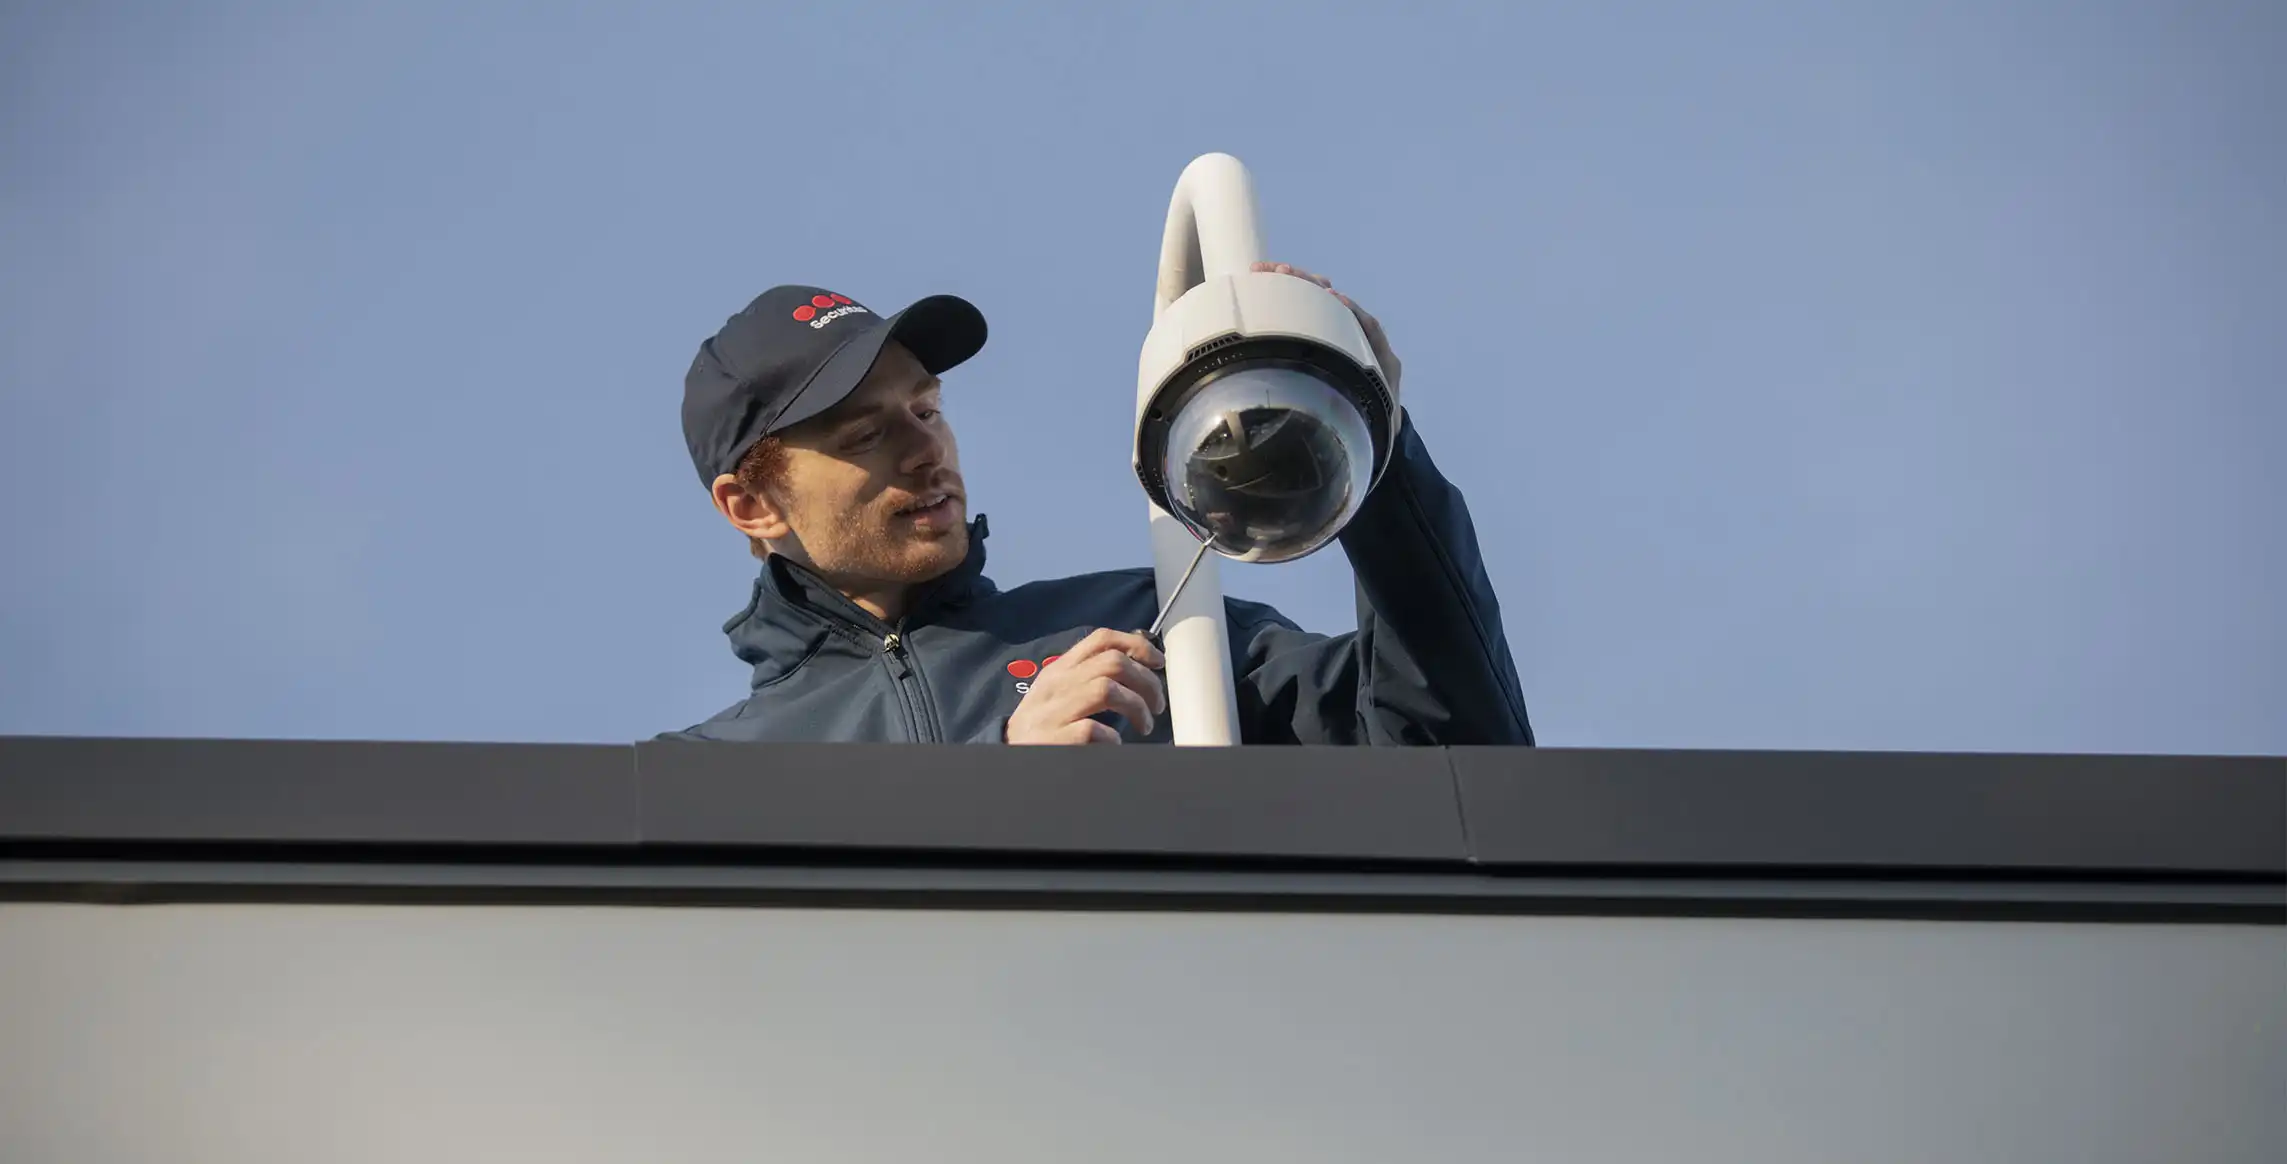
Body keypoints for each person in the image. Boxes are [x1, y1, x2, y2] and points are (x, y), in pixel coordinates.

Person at [664, 263, 1533, 746]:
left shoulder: (1156, 623)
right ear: (751, 506)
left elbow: (1454, 755)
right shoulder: (711, 773)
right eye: (864, 436)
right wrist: (1002, 791)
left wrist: (1369, 444)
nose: (926, 447)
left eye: (926, 409)